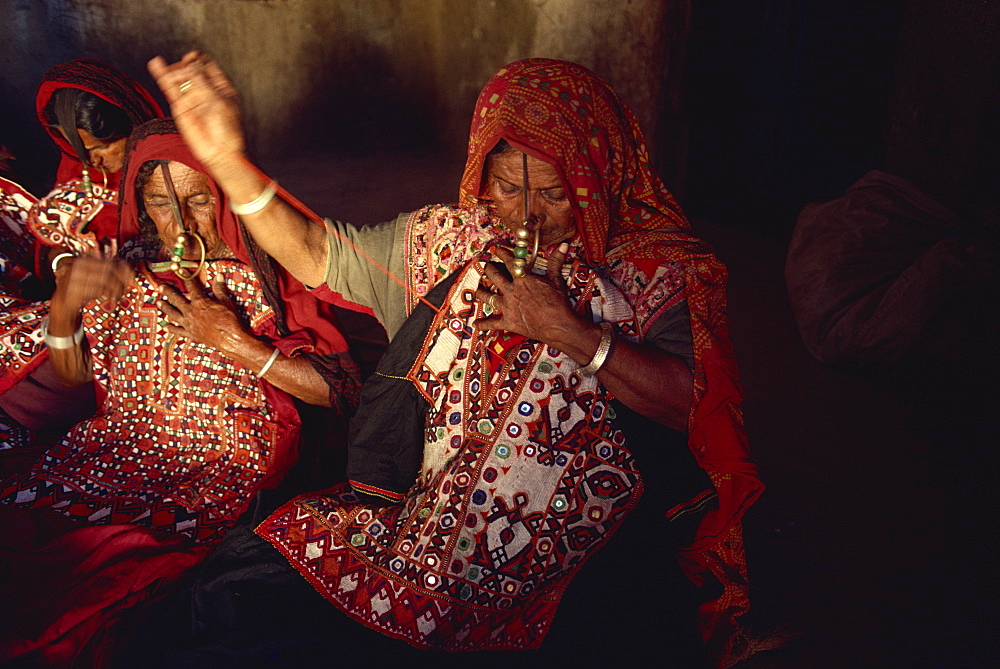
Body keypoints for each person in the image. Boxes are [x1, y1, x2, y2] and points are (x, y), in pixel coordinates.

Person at [148, 53, 762, 665]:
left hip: (565, 559)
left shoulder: (657, 271)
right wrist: (226, 160)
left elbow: (695, 406)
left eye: (554, 192)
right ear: (480, 171)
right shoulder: (450, 242)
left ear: (598, 173)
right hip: (423, 526)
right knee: (242, 588)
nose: (526, 214)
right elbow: (313, 251)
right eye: (508, 187)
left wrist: (571, 332)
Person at [0, 118, 361, 666]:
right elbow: (77, 379)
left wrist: (236, 342)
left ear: (223, 193)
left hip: (223, 464)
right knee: (30, 533)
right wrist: (64, 308)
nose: (183, 224)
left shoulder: (266, 270)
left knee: (122, 574)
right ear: (142, 207)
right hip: (117, 447)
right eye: (162, 205)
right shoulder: (126, 268)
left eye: (198, 199)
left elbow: (339, 394)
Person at [0, 60, 164, 443]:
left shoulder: (171, 172)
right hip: (78, 303)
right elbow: (53, 245)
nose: (94, 161)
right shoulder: (77, 172)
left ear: (135, 121)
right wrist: (64, 267)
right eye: (78, 148)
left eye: (104, 145)